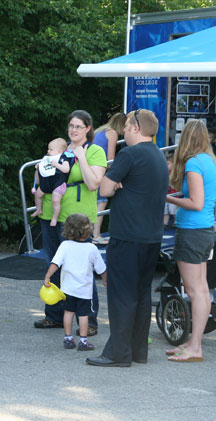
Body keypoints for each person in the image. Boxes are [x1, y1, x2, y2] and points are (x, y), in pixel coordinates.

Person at [86, 109, 168, 367]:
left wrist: (117, 183)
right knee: (142, 295)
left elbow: (105, 188)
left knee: (121, 294)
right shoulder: (158, 154)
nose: (122, 131)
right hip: (152, 237)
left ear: (134, 128)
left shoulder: (129, 154)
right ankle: (137, 351)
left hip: (128, 236)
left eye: (127, 126)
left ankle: (117, 354)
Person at [34, 110, 106, 336]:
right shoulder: (60, 148)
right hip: (51, 213)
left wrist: (81, 157)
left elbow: (94, 184)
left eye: (78, 126)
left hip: (77, 218)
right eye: (71, 126)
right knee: (52, 263)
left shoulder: (94, 151)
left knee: (81, 269)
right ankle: (54, 315)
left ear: (88, 128)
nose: (73, 130)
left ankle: (90, 320)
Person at [164, 119, 216, 362]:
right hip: (204, 231)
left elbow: (195, 203)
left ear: (186, 138)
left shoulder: (194, 163)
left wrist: (168, 198)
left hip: (192, 231)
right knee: (202, 289)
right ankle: (193, 343)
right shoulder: (210, 160)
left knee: (195, 291)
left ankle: (195, 347)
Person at [43, 214, 107, 352]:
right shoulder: (92, 248)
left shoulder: (65, 245)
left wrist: (48, 276)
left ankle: (68, 338)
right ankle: (83, 341)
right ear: (88, 229)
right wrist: (106, 281)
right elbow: (102, 269)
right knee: (83, 315)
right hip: (84, 290)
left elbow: (55, 262)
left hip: (67, 289)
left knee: (68, 312)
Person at [92, 112, 126, 242]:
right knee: (102, 201)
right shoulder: (112, 133)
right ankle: (96, 235)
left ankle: (90, 233)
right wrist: (118, 176)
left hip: (89, 168)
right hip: (98, 169)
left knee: (94, 201)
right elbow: (110, 159)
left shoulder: (100, 130)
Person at [31, 138, 73, 226]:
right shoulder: (47, 158)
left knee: (55, 200)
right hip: (46, 183)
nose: (48, 151)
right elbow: (40, 173)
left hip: (58, 183)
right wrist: (39, 167)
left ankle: (54, 218)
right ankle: (39, 209)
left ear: (59, 151)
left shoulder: (63, 157)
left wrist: (57, 165)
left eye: (51, 149)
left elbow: (66, 169)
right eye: (48, 149)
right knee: (37, 195)